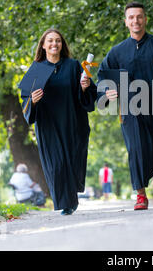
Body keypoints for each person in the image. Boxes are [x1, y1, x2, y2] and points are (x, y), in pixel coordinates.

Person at [97, 1, 153, 210]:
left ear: (145, 19)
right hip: (131, 109)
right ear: (126, 22)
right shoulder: (117, 52)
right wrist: (107, 91)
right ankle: (140, 195)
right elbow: (103, 77)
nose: (135, 20)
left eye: (139, 16)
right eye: (131, 17)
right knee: (137, 149)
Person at [20, 29, 97, 215]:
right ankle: (67, 203)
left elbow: (88, 93)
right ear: (44, 45)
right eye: (50, 41)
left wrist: (85, 87)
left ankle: (71, 197)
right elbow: (25, 100)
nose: (54, 44)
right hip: (48, 126)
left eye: (58, 41)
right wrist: (33, 100)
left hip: (73, 122)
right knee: (56, 165)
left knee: (72, 162)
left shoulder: (73, 66)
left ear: (62, 45)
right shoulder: (36, 68)